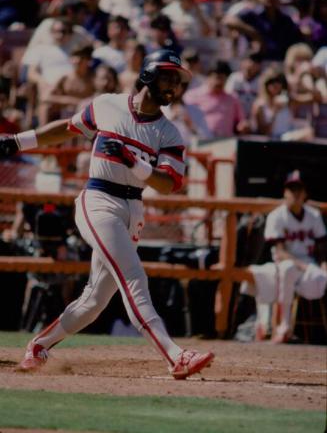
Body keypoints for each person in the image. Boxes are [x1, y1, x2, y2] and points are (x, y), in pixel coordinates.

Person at [0, 49, 214, 379]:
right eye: (168, 77)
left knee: (95, 300)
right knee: (134, 278)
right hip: (98, 198)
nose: (174, 86)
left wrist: (135, 162)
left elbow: (171, 183)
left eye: (178, 81)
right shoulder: (107, 103)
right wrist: (17, 141)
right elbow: (67, 129)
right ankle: (176, 355)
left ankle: (39, 346)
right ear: (148, 75)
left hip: (133, 207)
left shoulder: (169, 132)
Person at [241, 171, 327, 343]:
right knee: (287, 270)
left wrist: (324, 264)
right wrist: (303, 266)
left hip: (309, 264)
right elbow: (280, 252)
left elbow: (322, 246)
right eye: (291, 190)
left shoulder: (314, 215)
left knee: (322, 276)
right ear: (285, 193)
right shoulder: (276, 215)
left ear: (305, 194)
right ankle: (284, 326)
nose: (295, 194)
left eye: (298, 190)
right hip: (284, 263)